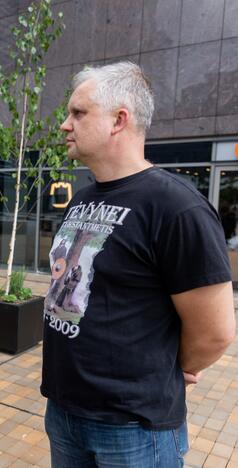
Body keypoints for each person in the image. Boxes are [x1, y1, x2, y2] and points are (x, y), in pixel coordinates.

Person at [42, 61, 236, 466]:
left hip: (133, 427)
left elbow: (215, 332)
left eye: (78, 113)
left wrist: (168, 368)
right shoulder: (81, 199)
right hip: (63, 412)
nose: (64, 124)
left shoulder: (177, 207)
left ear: (119, 120)